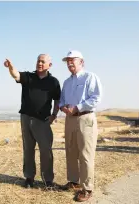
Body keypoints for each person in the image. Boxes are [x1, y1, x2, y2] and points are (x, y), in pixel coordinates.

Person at [3, 54, 61, 188]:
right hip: (26, 118)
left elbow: (57, 100)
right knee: (28, 149)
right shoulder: (29, 77)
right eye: (38, 61)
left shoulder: (53, 82)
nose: (39, 63)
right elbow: (16, 75)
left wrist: (54, 114)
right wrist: (11, 68)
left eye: (42, 61)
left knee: (46, 150)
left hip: (43, 120)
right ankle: (29, 177)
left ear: (49, 65)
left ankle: (48, 179)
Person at [59, 50, 102, 202]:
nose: (69, 63)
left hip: (85, 118)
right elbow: (61, 100)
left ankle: (87, 188)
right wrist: (63, 107)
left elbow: (96, 98)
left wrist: (77, 107)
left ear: (81, 62)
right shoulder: (67, 82)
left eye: (73, 60)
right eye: (67, 61)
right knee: (70, 151)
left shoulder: (90, 77)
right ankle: (73, 182)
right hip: (70, 119)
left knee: (85, 154)